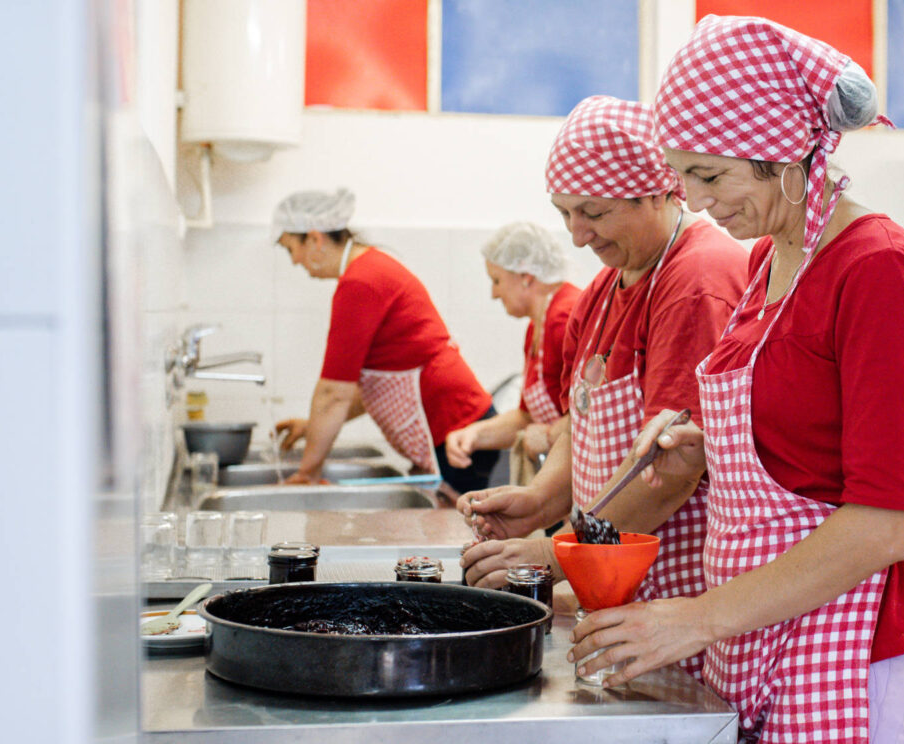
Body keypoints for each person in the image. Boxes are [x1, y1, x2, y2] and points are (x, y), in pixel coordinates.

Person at [566, 17, 904, 744]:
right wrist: (703, 448)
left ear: (780, 150)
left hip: (845, 638)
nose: (701, 202)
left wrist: (695, 617)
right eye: (686, 179)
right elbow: (798, 444)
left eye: (711, 176)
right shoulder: (762, 267)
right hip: (752, 628)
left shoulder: (877, 270)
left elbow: (885, 526)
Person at [458, 95, 749, 680]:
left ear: (658, 190)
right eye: (565, 212)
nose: (576, 233)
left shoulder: (696, 278)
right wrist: (541, 499)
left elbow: (673, 471)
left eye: (593, 211)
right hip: (614, 585)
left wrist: (552, 552)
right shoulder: (603, 290)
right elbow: (579, 422)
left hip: (677, 594)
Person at [271, 188, 499, 495]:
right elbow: (378, 387)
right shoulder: (368, 269)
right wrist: (313, 426)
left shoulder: (360, 281)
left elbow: (333, 392)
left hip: (456, 434)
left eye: (290, 249)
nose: (295, 261)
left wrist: (307, 472)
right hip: (454, 429)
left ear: (314, 239)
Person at [444, 222, 581, 481]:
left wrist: (550, 435)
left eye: (496, 281)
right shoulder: (537, 325)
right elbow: (526, 418)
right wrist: (474, 434)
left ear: (526, 276)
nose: (494, 293)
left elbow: (588, 414)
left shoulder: (564, 318)